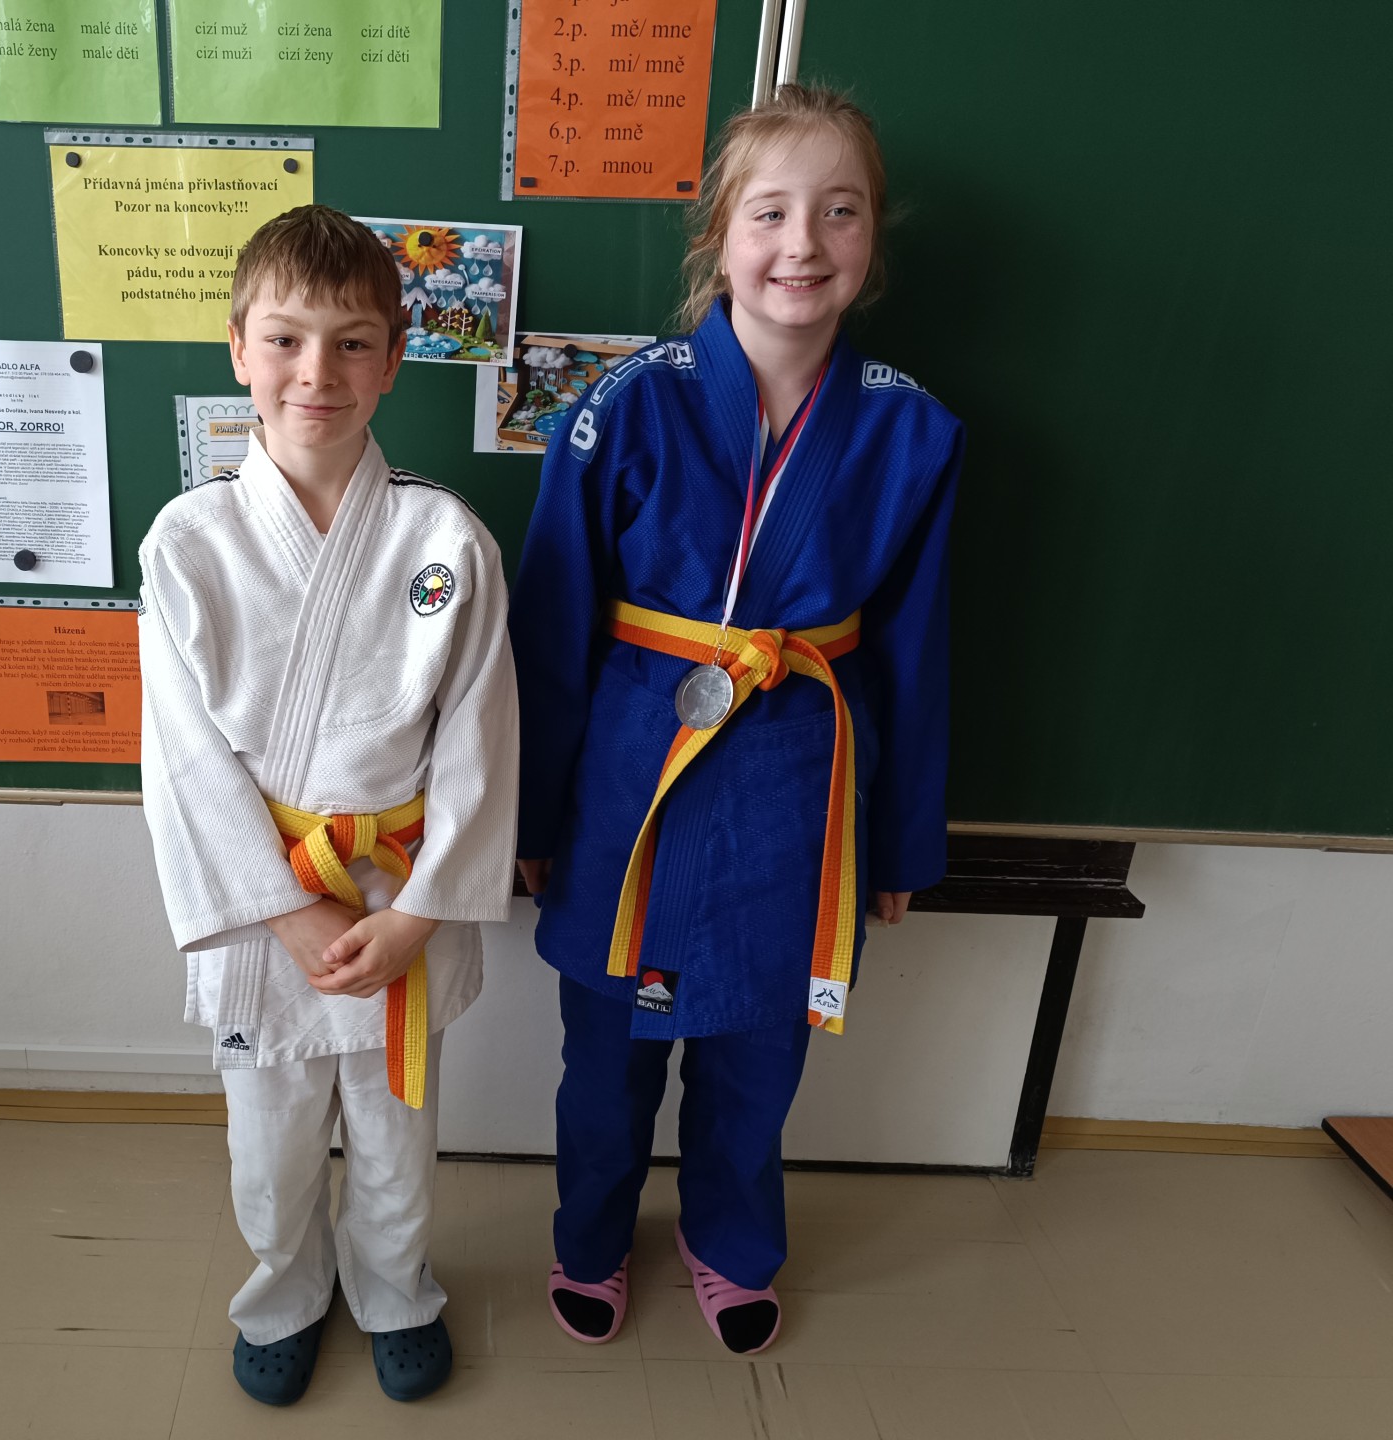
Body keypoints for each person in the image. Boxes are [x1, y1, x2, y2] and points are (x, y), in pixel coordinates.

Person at [510, 85, 963, 1355]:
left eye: (840, 212)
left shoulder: (913, 429)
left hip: (799, 784)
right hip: (630, 780)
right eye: (770, 212)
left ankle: (731, 1242)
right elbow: (550, 628)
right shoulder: (623, 405)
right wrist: (533, 816)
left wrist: (903, 841)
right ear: (718, 232)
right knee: (608, 1053)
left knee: (759, 1055)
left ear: (874, 238)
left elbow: (918, 652)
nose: (802, 244)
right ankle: (591, 1236)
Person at [137, 205, 519, 1406]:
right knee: (270, 1143)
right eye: (287, 340)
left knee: (398, 1134)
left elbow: (480, 741)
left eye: (353, 343)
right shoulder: (187, 542)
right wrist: (284, 908)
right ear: (238, 349)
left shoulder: (444, 537)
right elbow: (183, 761)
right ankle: (284, 1294)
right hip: (267, 907)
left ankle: (397, 1289)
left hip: (402, 891)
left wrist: (419, 913)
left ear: (394, 359)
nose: (318, 372)